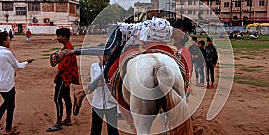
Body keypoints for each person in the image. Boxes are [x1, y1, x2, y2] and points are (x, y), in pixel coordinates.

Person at [59, 17, 191, 115]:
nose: (183, 37)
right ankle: (70, 51)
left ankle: (82, 94)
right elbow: (146, 26)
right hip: (121, 33)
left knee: (107, 73)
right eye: (185, 34)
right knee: (107, 50)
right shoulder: (164, 25)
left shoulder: (167, 37)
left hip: (128, 43)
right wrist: (141, 45)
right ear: (181, 30)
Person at [0, 32, 34, 135]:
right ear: (4, 41)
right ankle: (8, 129)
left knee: (7, 102)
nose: (10, 41)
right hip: (7, 83)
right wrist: (26, 62)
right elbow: (17, 66)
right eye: (9, 39)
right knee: (11, 105)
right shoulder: (7, 53)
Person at [46, 28, 80, 132]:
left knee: (57, 99)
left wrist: (56, 76)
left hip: (64, 78)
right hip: (67, 78)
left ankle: (58, 123)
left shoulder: (67, 50)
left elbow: (63, 67)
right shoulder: (68, 48)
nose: (57, 38)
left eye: (58, 36)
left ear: (64, 37)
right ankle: (68, 118)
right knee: (66, 97)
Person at [88, 55, 119, 135]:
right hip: (97, 104)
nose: (104, 57)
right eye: (102, 55)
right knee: (95, 130)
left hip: (111, 104)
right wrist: (98, 82)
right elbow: (93, 83)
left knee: (113, 131)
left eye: (106, 55)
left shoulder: (112, 68)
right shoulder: (94, 67)